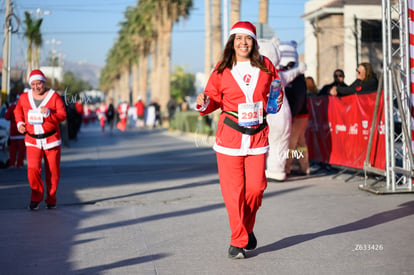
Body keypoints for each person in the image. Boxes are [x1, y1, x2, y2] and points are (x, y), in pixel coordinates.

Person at [196, 21, 283, 259]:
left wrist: (276, 99)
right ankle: (238, 241)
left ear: (254, 42)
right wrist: (204, 102)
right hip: (230, 138)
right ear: (232, 43)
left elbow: (275, 91)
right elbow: (211, 100)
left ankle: (246, 228)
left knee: (255, 189)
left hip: (257, 136)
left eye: (247, 38)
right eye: (238, 38)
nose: (243, 42)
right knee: (234, 192)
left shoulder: (266, 65)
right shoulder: (222, 68)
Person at [14, 69, 67, 210]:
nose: (36, 87)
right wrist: (20, 123)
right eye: (34, 84)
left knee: (53, 171)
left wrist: (49, 113)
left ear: (44, 83)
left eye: (39, 84)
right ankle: (36, 196)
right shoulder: (24, 98)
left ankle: (51, 198)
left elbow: (62, 115)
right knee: (32, 169)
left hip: (51, 139)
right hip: (32, 140)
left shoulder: (54, 96)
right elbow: (17, 111)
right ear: (30, 84)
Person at [257, 37, 306, 182]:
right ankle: (276, 170)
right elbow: (290, 74)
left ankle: (261, 171)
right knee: (279, 143)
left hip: (265, 114)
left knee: (262, 145)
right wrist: (299, 69)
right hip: (280, 114)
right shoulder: (277, 75)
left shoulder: (257, 75)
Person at [279, 41, 310, 176]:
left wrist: (292, 115)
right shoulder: (288, 74)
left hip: (298, 115)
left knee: (291, 143)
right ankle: (304, 167)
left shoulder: (297, 77)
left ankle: (287, 167)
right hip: (296, 113)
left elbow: (299, 98)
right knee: (300, 142)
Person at [4, 93, 26, 168]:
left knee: (13, 149)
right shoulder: (25, 107)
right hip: (22, 131)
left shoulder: (12, 107)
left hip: (14, 131)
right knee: (21, 149)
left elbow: (6, 117)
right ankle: (20, 163)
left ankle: (12, 163)